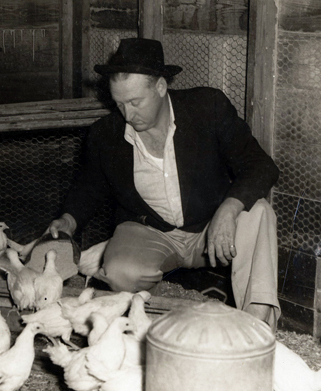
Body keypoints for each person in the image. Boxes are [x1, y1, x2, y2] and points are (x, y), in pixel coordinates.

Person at [47, 38, 280, 331]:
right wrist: (68, 220)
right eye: (119, 104)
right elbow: (90, 187)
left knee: (259, 212)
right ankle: (141, 324)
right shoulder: (105, 135)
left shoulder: (207, 108)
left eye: (135, 102)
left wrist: (229, 209)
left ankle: (255, 327)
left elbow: (261, 165)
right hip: (151, 230)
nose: (128, 115)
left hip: (212, 227)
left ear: (160, 87)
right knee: (120, 271)